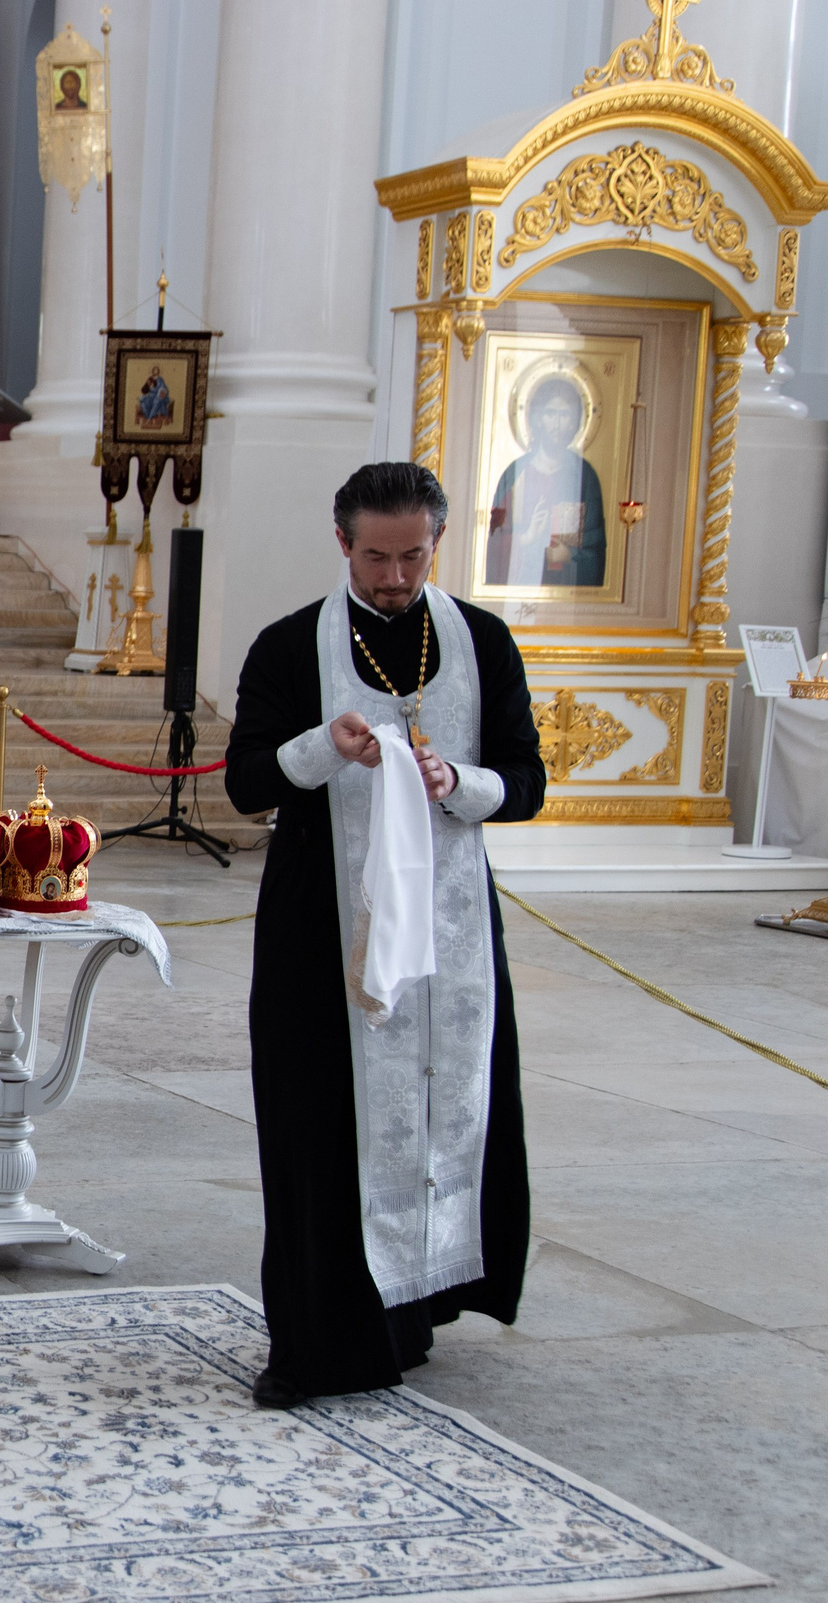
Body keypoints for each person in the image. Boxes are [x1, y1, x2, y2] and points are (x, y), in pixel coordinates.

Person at [223, 461, 546, 1409]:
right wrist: (329, 744)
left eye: (413, 556)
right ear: (342, 545)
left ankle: (409, 1311)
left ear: (436, 543)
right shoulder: (290, 646)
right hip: (318, 934)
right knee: (317, 1122)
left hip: (450, 934)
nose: (396, 577)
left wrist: (459, 785)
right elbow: (246, 783)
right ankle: (320, 1346)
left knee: (439, 1113)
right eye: (376, 557)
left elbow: (525, 780)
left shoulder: (481, 641)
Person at [484, 374, 606, 588]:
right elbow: (495, 541)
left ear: (576, 421)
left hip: (568, 597)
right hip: (519, 590)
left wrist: (569, 555)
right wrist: (526, 539)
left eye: (565, 415)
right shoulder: (515, 474)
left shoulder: (585, 477)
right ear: (537, 419)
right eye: (550, 414)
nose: (557, 424)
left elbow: (595, 546)